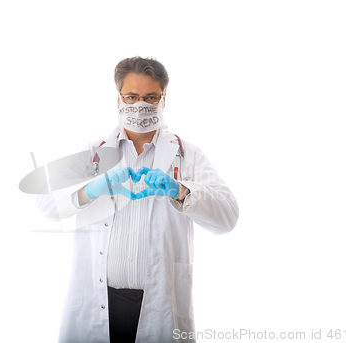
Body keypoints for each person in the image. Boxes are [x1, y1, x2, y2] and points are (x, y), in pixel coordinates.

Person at [36, 56, 239, 343]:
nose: (140, 105)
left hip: (159, 304)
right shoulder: (93, 153)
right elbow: (44, 207)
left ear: (163, 99)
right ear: (118, 100)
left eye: (150, 97)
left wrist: (180, 191)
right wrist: (90, 190)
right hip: (98, 302)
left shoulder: (188, 154)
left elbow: (228, 217)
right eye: (131, 96)